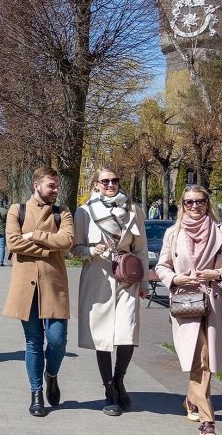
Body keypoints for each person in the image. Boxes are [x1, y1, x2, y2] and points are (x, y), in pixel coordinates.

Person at [155, 185, 222, 435]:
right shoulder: (173, 233)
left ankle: (191, 399)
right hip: (187, 303)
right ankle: (208, 421)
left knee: (206, 360)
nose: (195, 206)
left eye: (200, 201)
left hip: (215, 302)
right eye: (189, 202)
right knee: (199, 359)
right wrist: (175, 279)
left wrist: (218, 273)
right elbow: (162, 266)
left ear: (208, 203)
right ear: (182, 206)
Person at [73, 168, 149, 417]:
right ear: (95, 185)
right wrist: (90, 251)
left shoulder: (133, 210)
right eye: (105, 181)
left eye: (115, 180)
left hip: (127, 278)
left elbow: (141, 249)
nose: (111, 184)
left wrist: (145, 282)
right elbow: (75, 248)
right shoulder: (85, 212)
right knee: (103, 335)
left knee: (127, 332)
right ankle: (108, 390)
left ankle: (119, 380)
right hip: (99, 278)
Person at [2, 167, 74, 418]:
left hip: (54, 286)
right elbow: (13, 243)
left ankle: (51, 374)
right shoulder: (16, 210)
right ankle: (36, 393)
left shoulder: (62, 211)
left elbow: (67, 241)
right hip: (26, 288)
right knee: (33, 342)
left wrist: (35, 235)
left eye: (57, 186)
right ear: (36, 186)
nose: (56, 190)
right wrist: (48, 248)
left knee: (57, 340)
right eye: (51, 186)